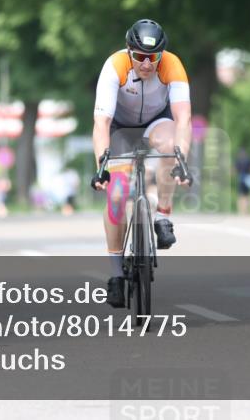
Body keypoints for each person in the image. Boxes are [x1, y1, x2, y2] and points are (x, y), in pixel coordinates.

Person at [90, 19, 192, 308]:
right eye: (140, 57)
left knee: (171, 148)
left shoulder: (172, 65)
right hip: (119, 128)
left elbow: (183, 118)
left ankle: (163, 216)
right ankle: (115, 276)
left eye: (153, 57)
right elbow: (102, 121)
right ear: (128, 51)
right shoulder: (115, 66)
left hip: (156, 123)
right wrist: (102, 164)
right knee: (117, 195)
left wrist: (181, 157)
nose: (147, 64)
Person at [235, 147, 250, 215]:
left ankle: (241, 210)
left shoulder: (238, 161)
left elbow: (235, 170)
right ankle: (247, 210)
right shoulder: (249, 160)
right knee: (247, 195)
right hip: (248, 178)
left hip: (241, 178)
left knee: (241, 195)